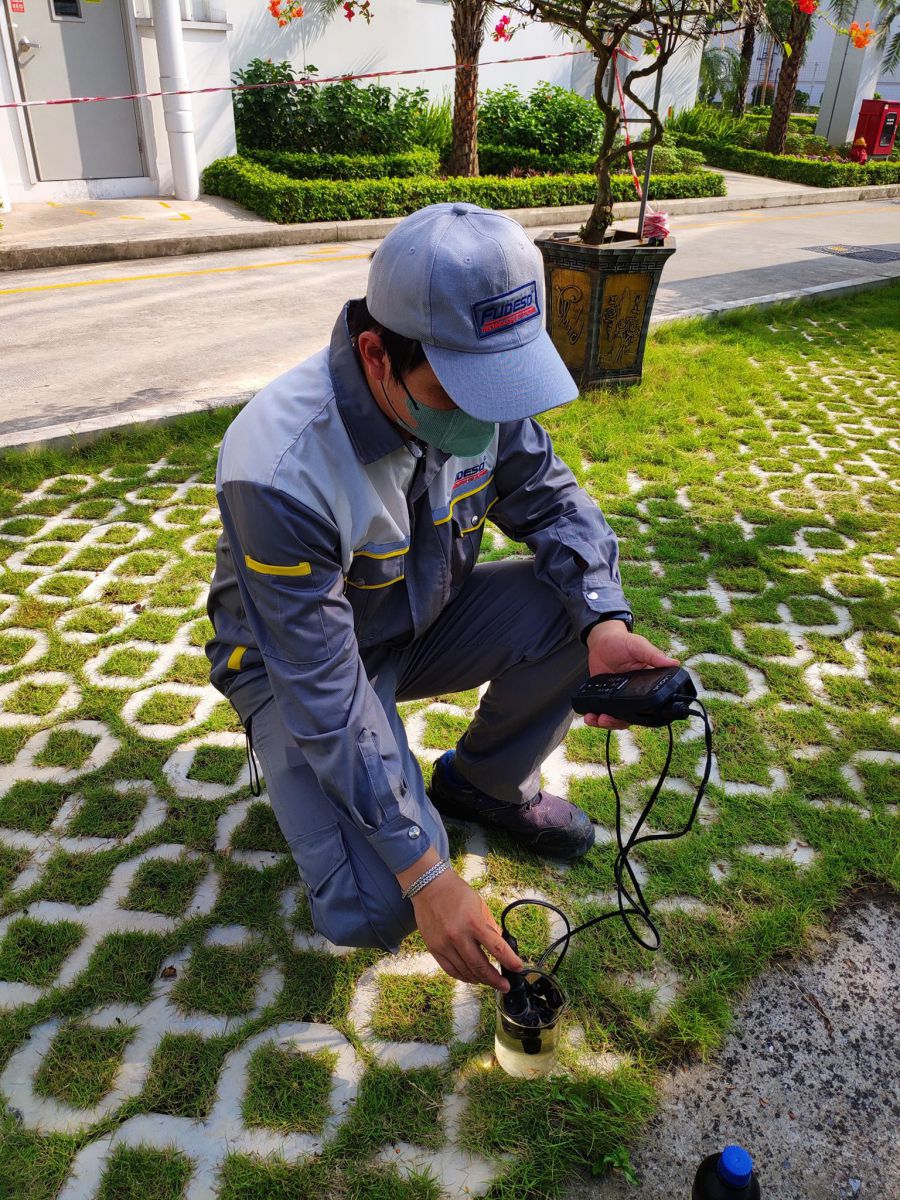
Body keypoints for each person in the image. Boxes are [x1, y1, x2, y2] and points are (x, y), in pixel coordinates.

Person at [205, 202, 677, 994]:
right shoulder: (282, 467)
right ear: (376, 354)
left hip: (418, 619)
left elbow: (555, 504)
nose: (488, 414)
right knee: (380, 907)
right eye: (461, 390)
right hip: (295, 671)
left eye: (502, 384)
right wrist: (426, 874)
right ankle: (354, 812)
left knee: (572, 607)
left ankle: (482, 785)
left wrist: (605, 622)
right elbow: (325, 690)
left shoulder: (480, 398)